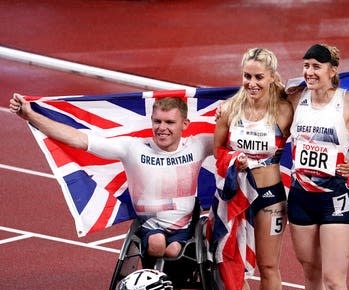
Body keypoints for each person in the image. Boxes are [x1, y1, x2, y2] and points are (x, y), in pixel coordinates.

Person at [9, 95, 211, 259]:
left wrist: (229, 113)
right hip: (150, 226)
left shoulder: (198, 145)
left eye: (169, 122)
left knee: (174, 251)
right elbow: (78, 139)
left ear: (185, 124)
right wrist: (30, 115)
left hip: (185, 227)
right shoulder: (133, 148)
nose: (162, 127)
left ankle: (170, 278)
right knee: (158, 243)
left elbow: (232, 140)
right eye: (157, 121)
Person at [213, 47, 293, 290]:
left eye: (259, 77)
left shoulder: (285, 109)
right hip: (237, 196)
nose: (252, 83)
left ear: (272, 77)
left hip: (270, 197)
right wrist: (234, 159)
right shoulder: (230, 109)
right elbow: (218, 150)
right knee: (232, 258)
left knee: (268, 265)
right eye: (247, 76)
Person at [287, 44, 349, 290]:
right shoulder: (294, 98)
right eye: (306, 66)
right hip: (301, 196)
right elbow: (255, 106)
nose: (310, 72)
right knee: (309, 272)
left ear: (333, 69)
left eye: (317, 66)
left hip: (334, 198)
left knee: (333, 277)